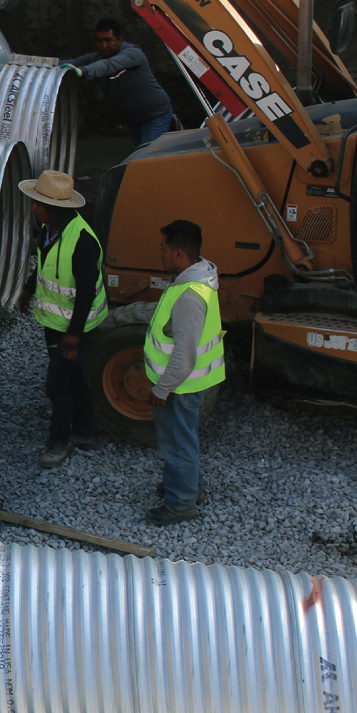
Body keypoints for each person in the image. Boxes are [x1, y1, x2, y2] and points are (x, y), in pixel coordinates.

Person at [17, 170, 108, 468]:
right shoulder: (50, 230)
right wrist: (29, 290)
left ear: (53, 208)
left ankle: (60, 441)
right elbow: (45, 267)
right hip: (56, 326)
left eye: (38, 204)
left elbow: (84, 293)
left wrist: (74, 333)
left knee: (57, 385)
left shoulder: (82, 242)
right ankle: (84, 432)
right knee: (74, 377)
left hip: (72, 331)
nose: (34, 208)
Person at [144, 220, 225, 525]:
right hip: (189, 383)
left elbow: (185, 355)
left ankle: (181, 505)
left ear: (178, 253)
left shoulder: (190, 295)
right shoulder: (195, 276)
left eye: (163, 249)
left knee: (178, 444)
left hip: (182, 386)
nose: (160, 254)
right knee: (183, 440)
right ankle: (189, 487)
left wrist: (162, 388)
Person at [61, 18, 174, 145]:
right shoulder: (95, 58)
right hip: (134, 121)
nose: (104, 45)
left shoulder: (133, 53)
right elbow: (70, 63)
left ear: (119, 40)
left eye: (108, 40)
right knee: (141, 157)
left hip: (155, 118)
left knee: (147, 161)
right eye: (99, 41)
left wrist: (82, 71)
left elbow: (109, 65)